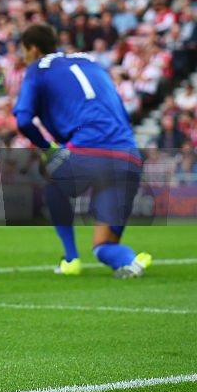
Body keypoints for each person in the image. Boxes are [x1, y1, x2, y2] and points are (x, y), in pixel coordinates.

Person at [13, 24, 151, 278]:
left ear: (33, 49)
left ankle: (71, 258)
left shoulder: (38, 69)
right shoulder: (92, 62)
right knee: (104, 246)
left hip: (89, 149)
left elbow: (22, 120)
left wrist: (48, 149)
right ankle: (131, 261)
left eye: (23, 51)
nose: (23, 57)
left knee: (52, 176)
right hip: (128, 155)